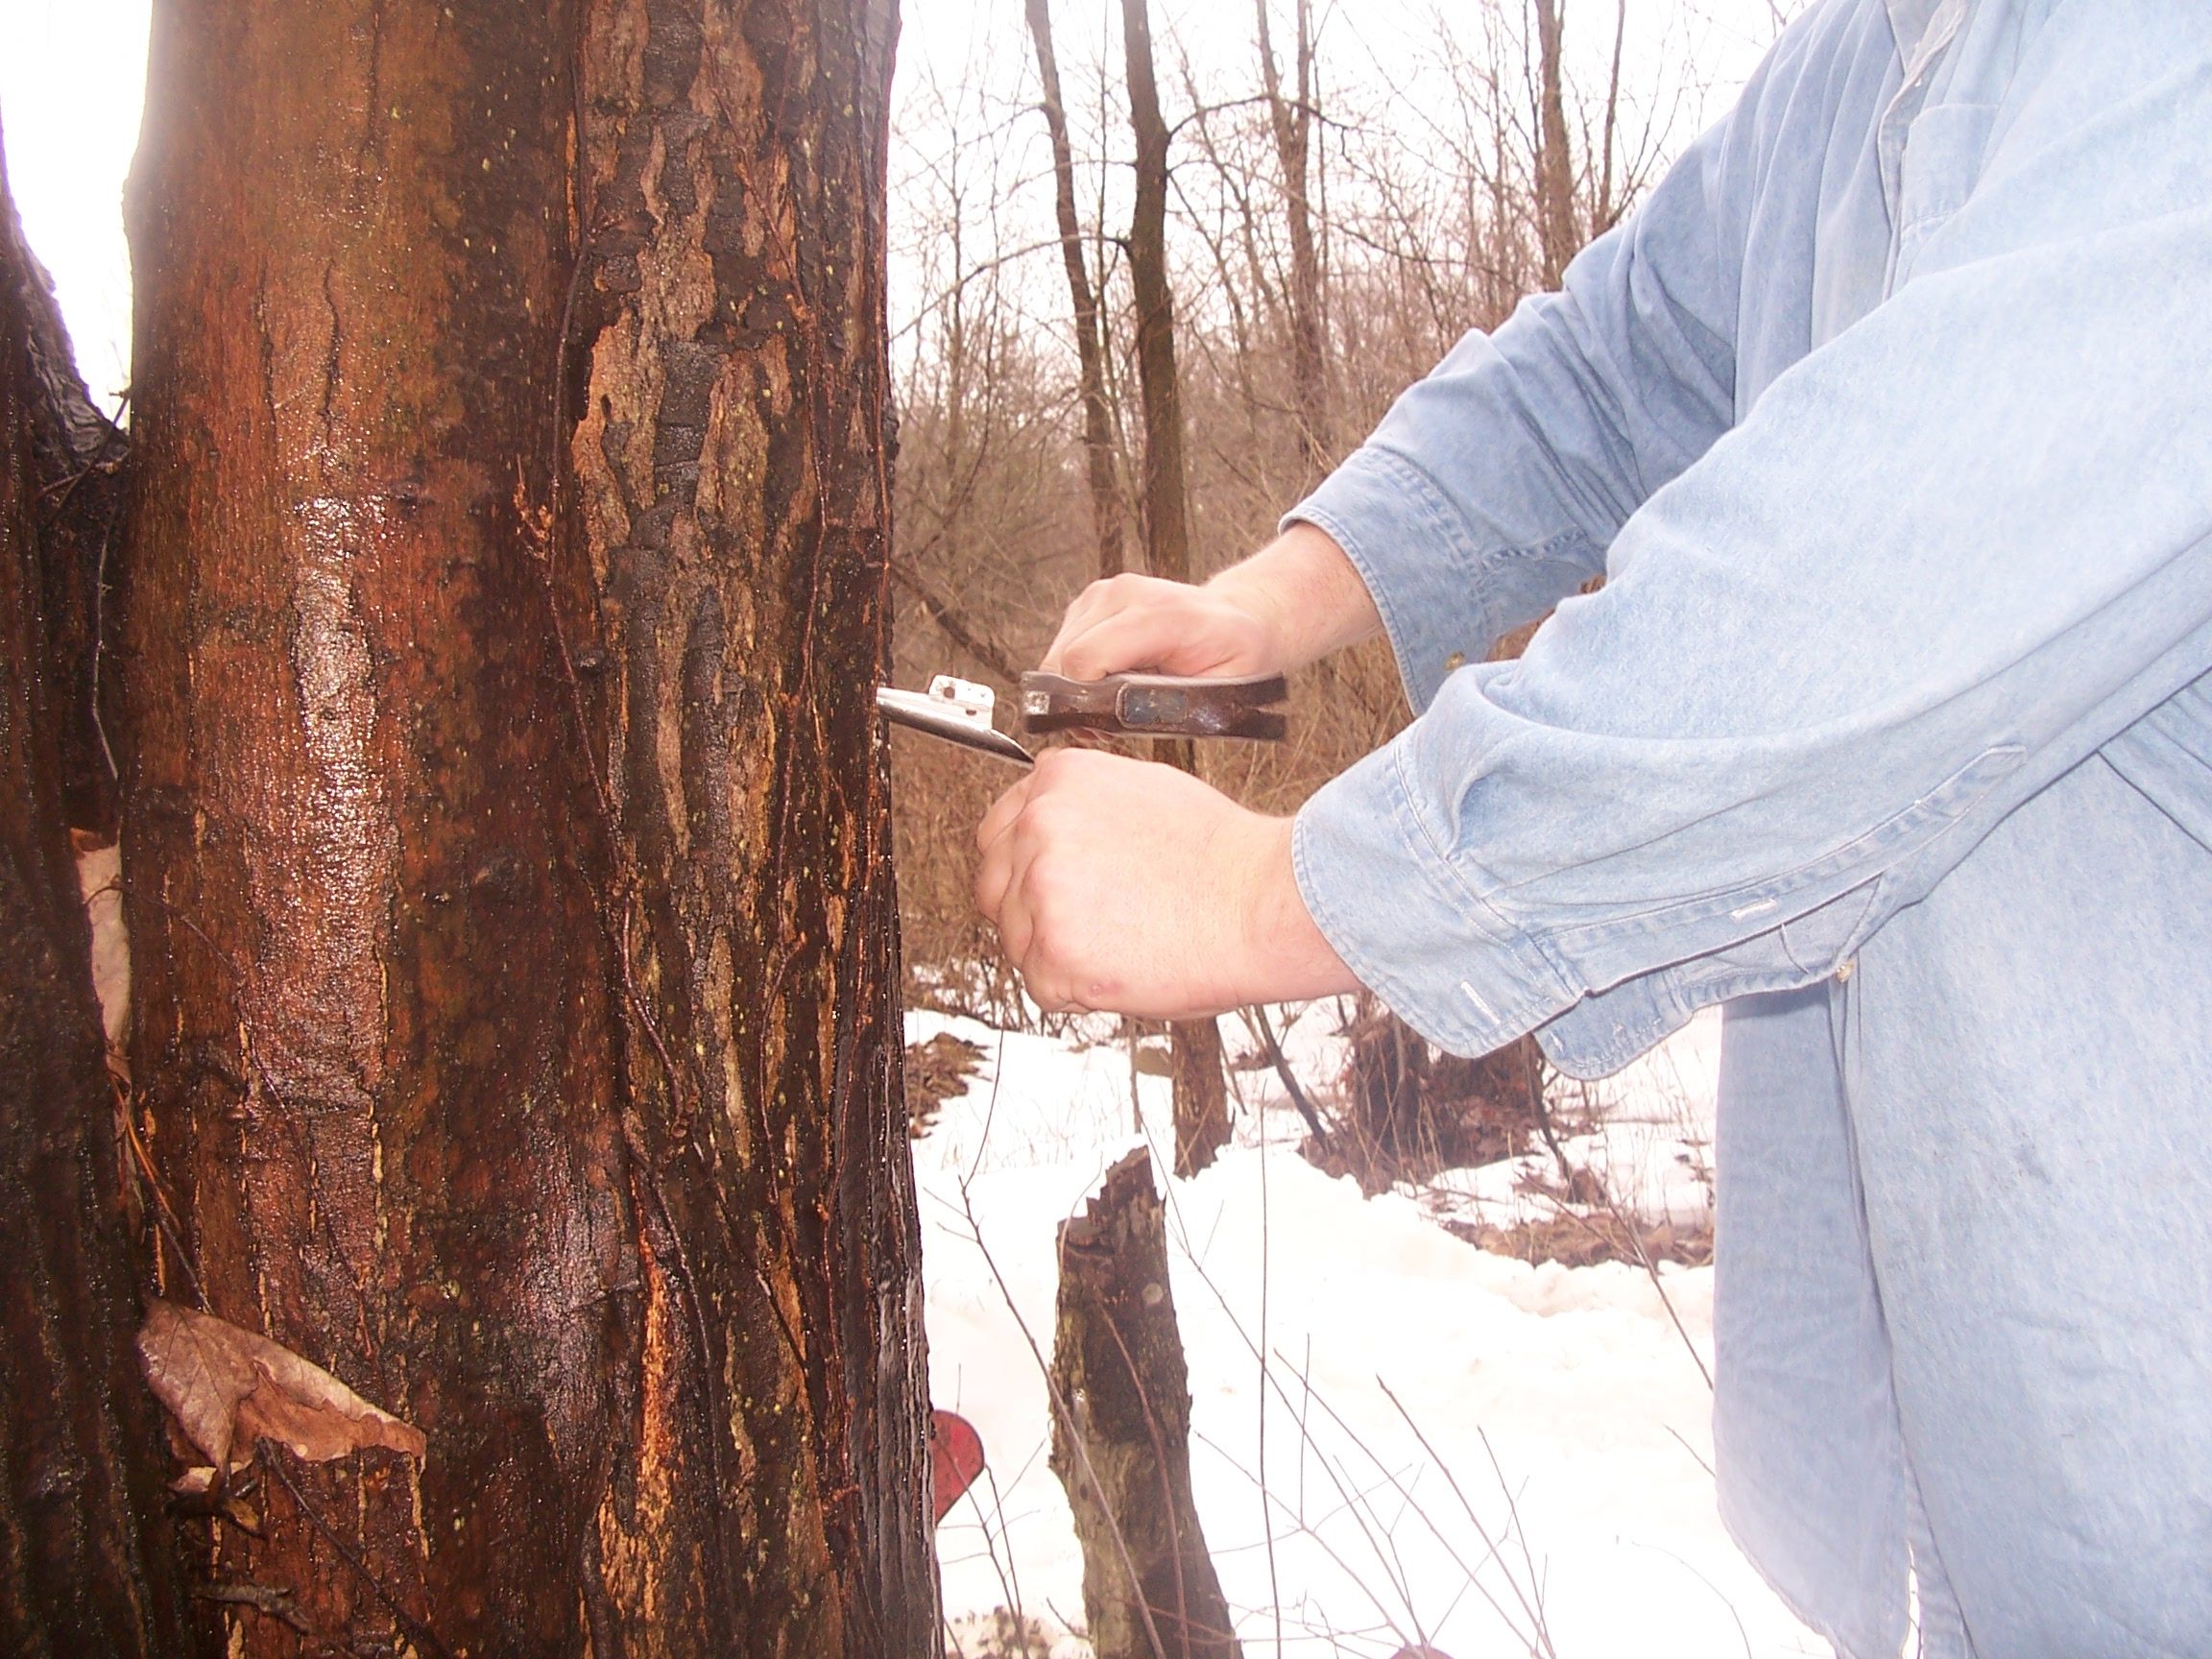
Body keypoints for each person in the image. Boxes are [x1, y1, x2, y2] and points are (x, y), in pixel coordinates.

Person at [972, 3, 2212, 1655]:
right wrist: (1268, 603)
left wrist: (1268, 889)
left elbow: (1859, 598)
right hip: (1989, 1457)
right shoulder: (1864, 64)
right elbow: (1614, 364)